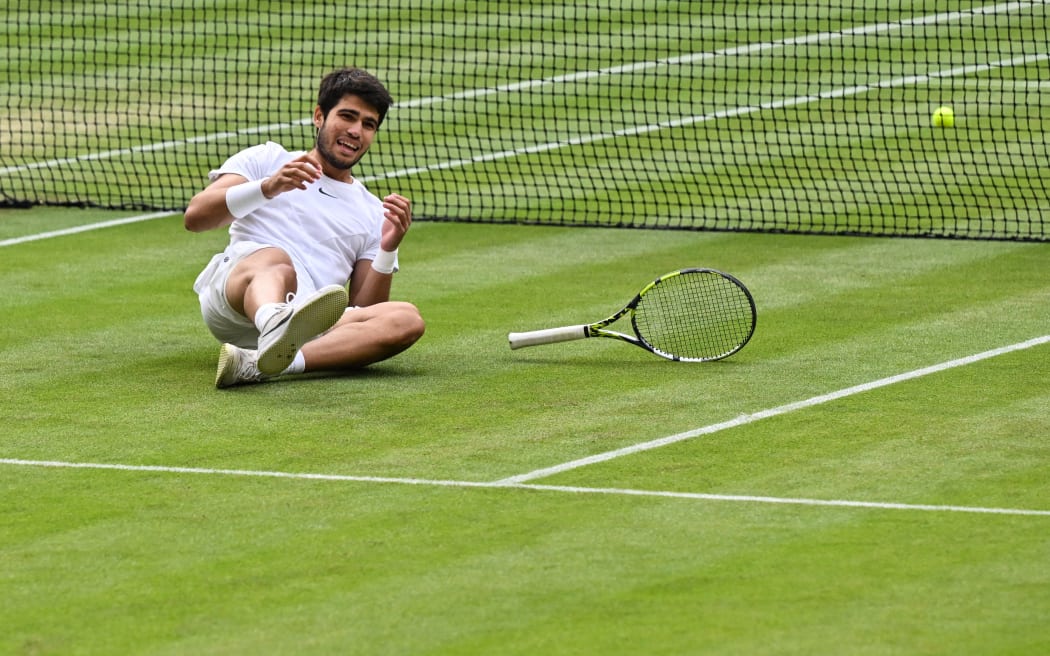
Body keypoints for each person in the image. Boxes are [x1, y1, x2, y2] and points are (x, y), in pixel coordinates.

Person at [185, 67, 425, 388]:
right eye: (348, 116)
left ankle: (265, 363)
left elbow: (364, 309)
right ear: (319, 116)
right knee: (276, 259)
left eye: (368, 124)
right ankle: (275, 324)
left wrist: (388, 248)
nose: (356, 131)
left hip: (311, 322)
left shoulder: (372, 211)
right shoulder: (269, 159)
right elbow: (196, 217)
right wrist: (267, 187)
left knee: (406, 318)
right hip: (237, 298)